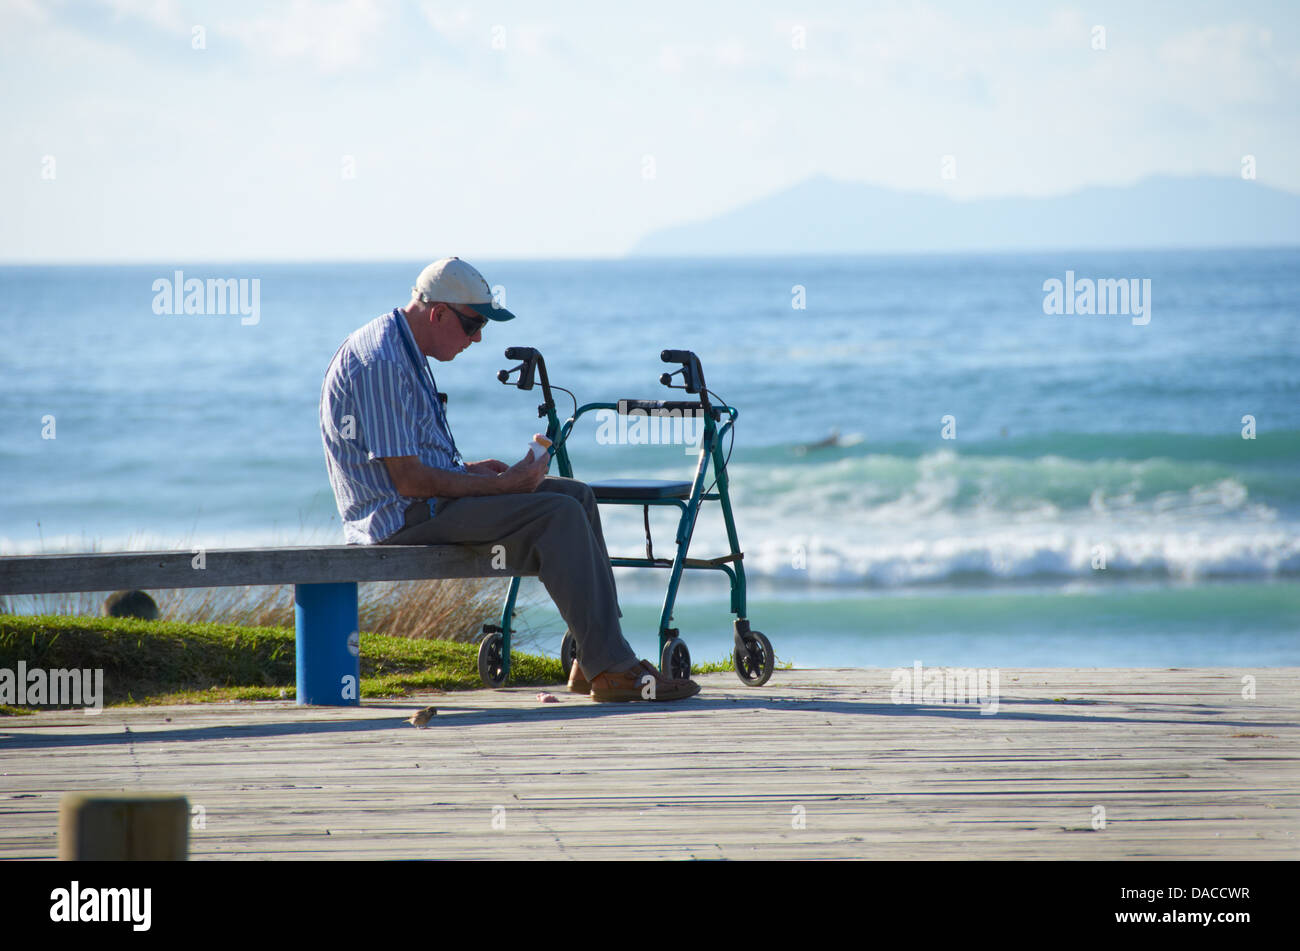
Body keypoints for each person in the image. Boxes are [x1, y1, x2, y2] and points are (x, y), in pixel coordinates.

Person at [318, 256, 700, 702]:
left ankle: (592, 658)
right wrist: (499, 487)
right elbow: (407, 481)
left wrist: (469, 473)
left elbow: (413, 463)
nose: (478, 337)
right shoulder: (380, 360)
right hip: (398, 519)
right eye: (473, 324)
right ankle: (611, 667)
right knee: (557, 513)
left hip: (424, 504)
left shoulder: (402, 347)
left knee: (576, 497)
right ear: (439, 312)